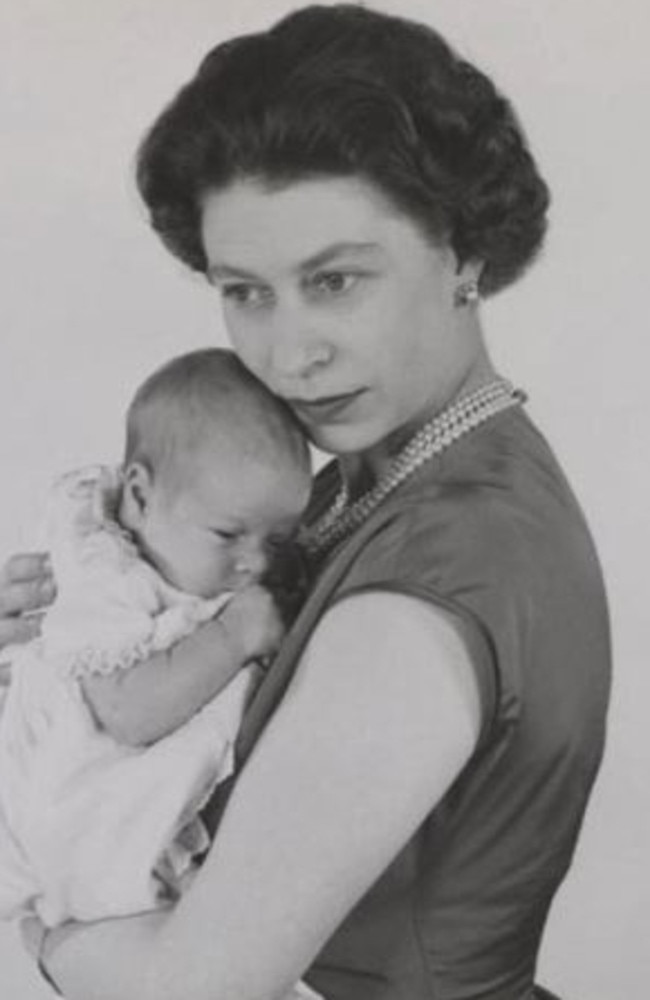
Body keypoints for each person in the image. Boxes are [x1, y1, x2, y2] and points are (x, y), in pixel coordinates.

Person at [0, 5, 610, 1000]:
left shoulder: (432, 580)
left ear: (461, 253)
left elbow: (196, 988)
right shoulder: (372, 481)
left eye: (334, 280)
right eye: (245, 290)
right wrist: (48, 681)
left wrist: (41, 921)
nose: (288, 354)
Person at [0, 349, 311, 938]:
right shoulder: (103, 574)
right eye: (229, 533)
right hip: (54, 807)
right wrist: (233, 634)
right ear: (139, 497)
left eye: (279, 539)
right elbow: (127, 713)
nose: (253, 562)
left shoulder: (195, 559)